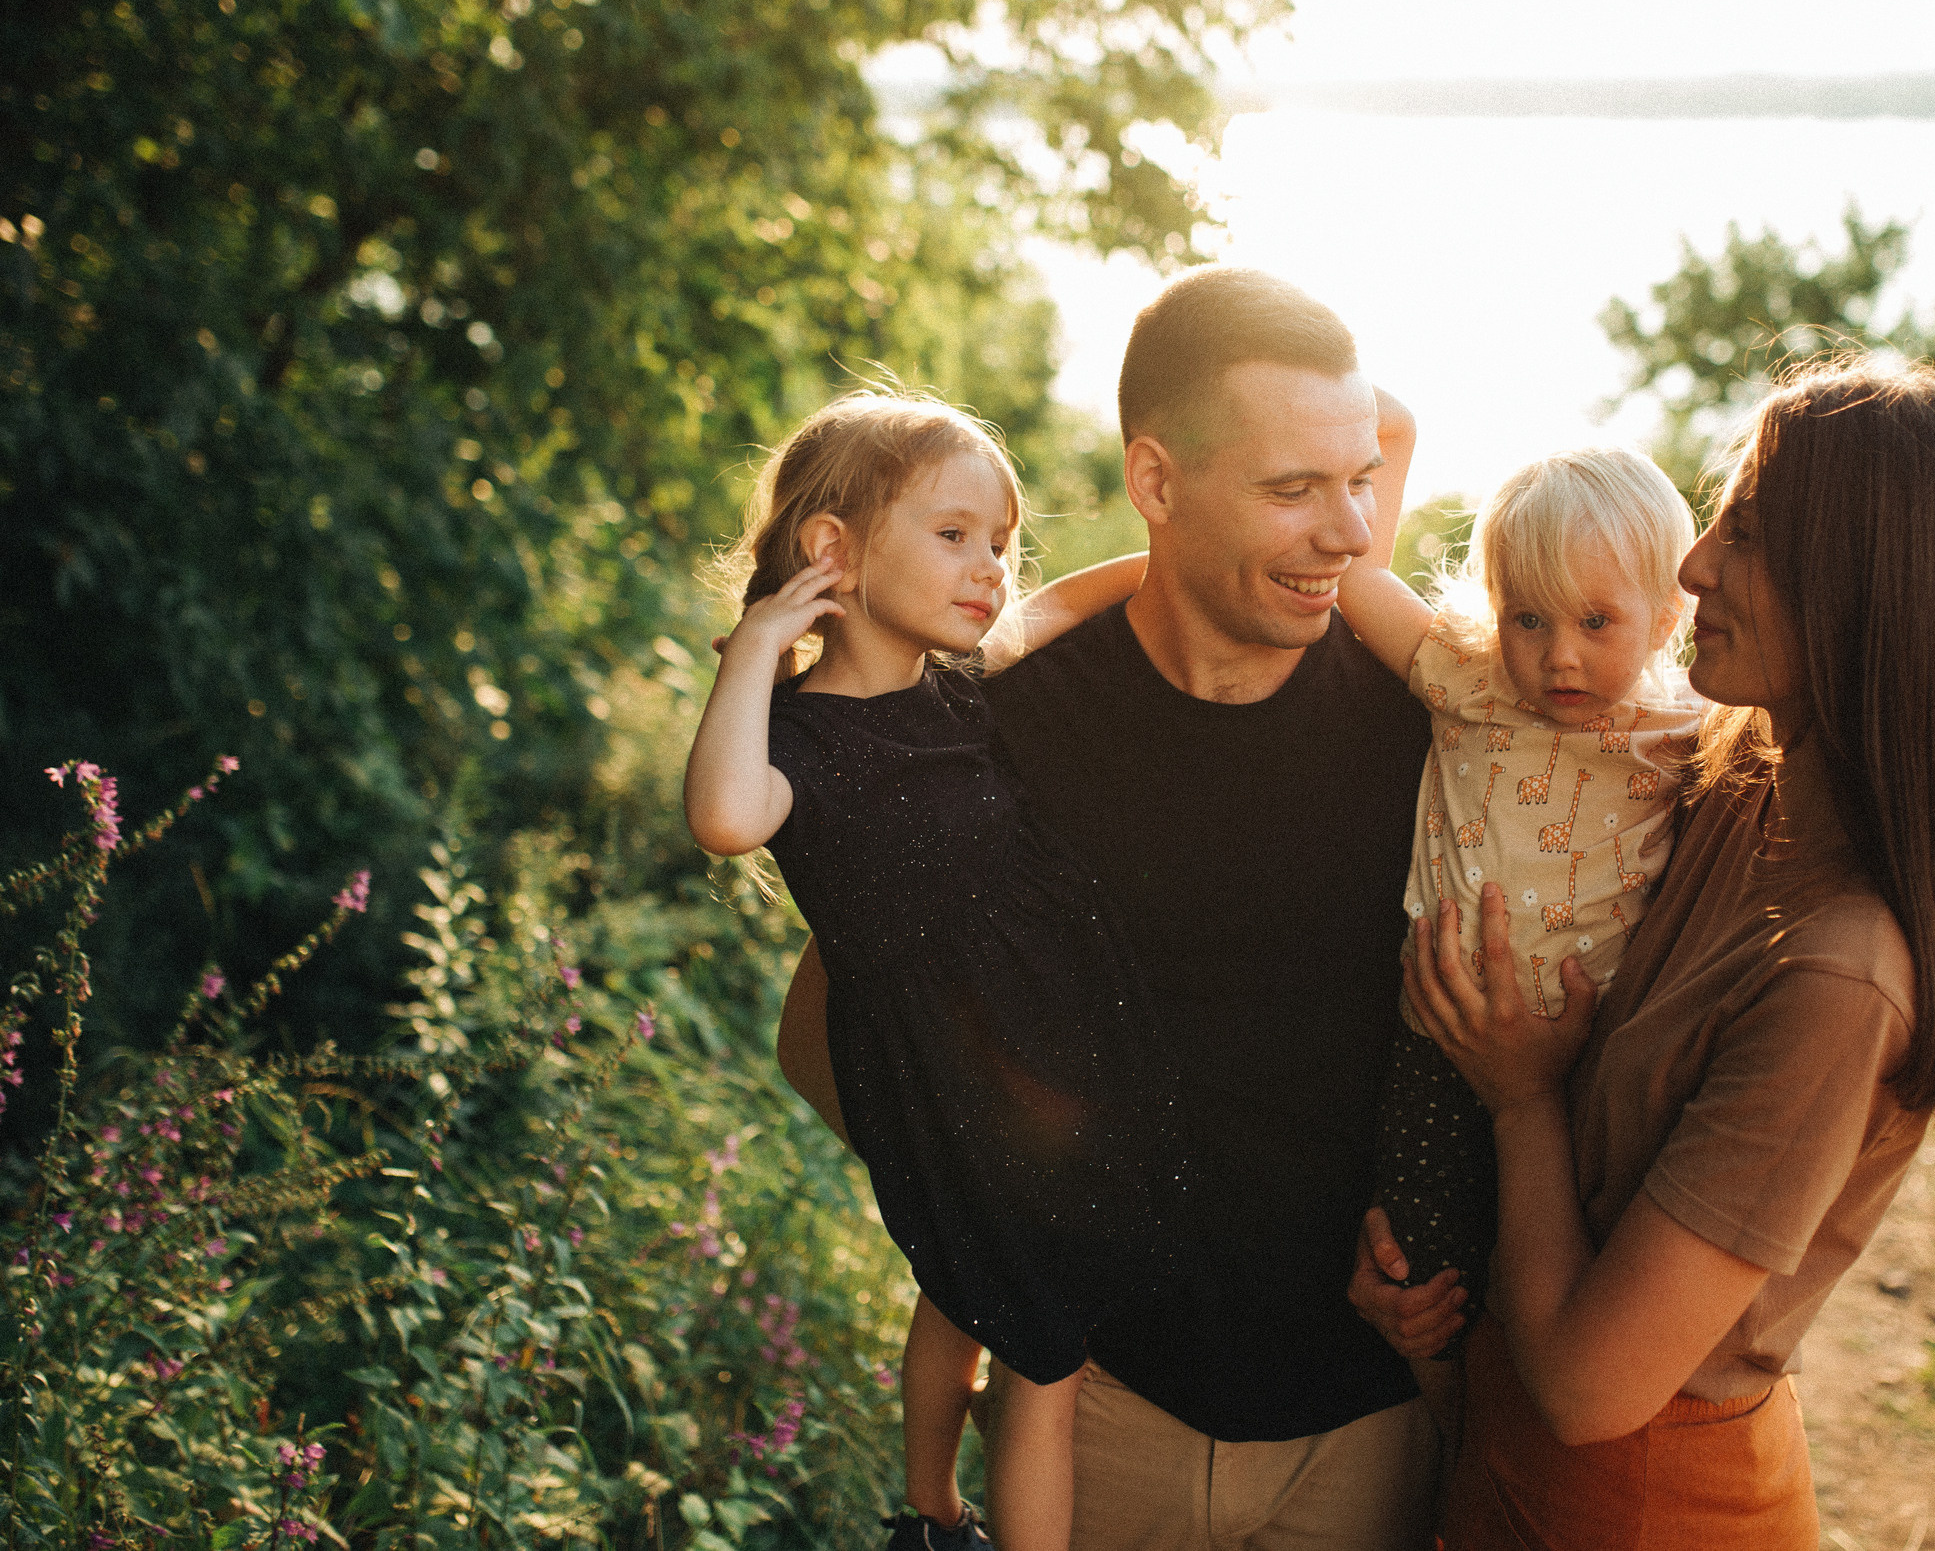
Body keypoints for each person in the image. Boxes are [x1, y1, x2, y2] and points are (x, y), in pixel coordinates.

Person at [781, 266, 1442, 1550]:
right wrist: (1000, 1220)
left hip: (1372, 1422)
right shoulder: (1003, 729)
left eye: (1356, 480)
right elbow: (830, 1029)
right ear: (1154, 481)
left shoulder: (1427, 719)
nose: (1351, 533)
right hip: (1097, 1423)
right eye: (1291, 489)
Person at [1352, 361, 1935, 1549]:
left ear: (1865, 589)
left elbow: (1592, 1388)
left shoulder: (1839, 973)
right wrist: (1433, 1283)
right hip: (1505, 1452)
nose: (1692, 568)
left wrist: (1519, 1100)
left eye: (1745, 531)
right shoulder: (1734, 785)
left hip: (1635, 1505)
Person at [683, 393, 1200, 1551]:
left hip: (1055, 1047)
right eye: (955, 535)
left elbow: (1077, 597)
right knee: (1041, 1352)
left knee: (967, 1283)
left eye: (1002, 543)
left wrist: (1189, 551)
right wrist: (764, 642)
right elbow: (722, 818)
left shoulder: (963, 685)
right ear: (834, 551)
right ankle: (957, 1520)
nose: (994, 568)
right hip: (944, 1077)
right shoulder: (794, 738)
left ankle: (926, 1513)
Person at [1329, 445, 1708, 1433]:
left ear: (1666, 618)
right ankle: (1456, 1459)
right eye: (1526, 619)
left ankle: (1519, 1457)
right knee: (1421, 1272)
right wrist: (1389, 445)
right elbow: (1359, 580)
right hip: (1435, 1041)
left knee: (1560, 1273)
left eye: (1596, 621)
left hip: (1585, 1063)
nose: (1559, 656)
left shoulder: (1685, 728)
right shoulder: (1473, 679)